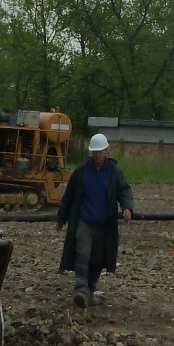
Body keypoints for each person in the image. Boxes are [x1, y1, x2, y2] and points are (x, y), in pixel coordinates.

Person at [56, 132, 133, 308]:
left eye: (99, 151)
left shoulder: (114, 172)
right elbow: (69, 196)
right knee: (82, 255)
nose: (97, 155)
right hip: (84, 222)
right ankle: (81, 289)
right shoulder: (81, 171)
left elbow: (124, 190)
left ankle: (90, 290)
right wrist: (61, 218)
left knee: (97, 260)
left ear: (106, 150)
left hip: (104, 225)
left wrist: (127, 208)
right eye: (94, 152)